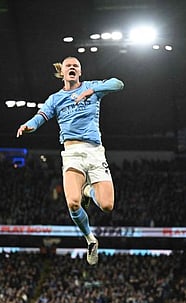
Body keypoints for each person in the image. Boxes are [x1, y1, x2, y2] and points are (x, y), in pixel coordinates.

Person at [16, 56, 124, 265]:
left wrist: (91, 91)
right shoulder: (55, 99)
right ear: (63, 73)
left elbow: (119, 84)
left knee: (107, 205)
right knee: (73, 203)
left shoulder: (92, 87)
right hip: (72, 152)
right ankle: (90, 239)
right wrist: (28, 125)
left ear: (80, 72)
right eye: (69, 66)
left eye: (76, 66)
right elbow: (40, 117)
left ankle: (87, 190)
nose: (72, 68)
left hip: (94, 152)